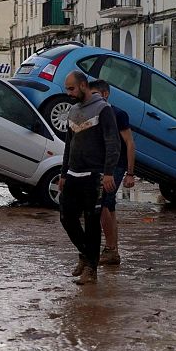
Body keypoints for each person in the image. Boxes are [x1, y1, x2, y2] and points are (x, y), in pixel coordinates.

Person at [59, 71, 120, 285]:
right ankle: (86, 255)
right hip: (73, 175)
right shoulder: (73, 111)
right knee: (66, 217)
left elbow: (113, 143)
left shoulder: (103, 109)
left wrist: (108, 173)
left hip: (95, 176)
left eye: (71, 89)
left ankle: (91, 270)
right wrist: (64, 173)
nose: (68, 93)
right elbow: (69, 145)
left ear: (83, 85)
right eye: (67, 89)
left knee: (93, 222)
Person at [88, 79, 136, 266]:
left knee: (103, 205)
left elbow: (130, 144)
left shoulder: (118, 114)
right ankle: (113, 250)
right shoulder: (94, 114)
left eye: (94, 95)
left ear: (105, 94)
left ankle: (110, 249)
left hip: (116, 166)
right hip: (101, 166)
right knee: (109, 207)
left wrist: (130, 173)